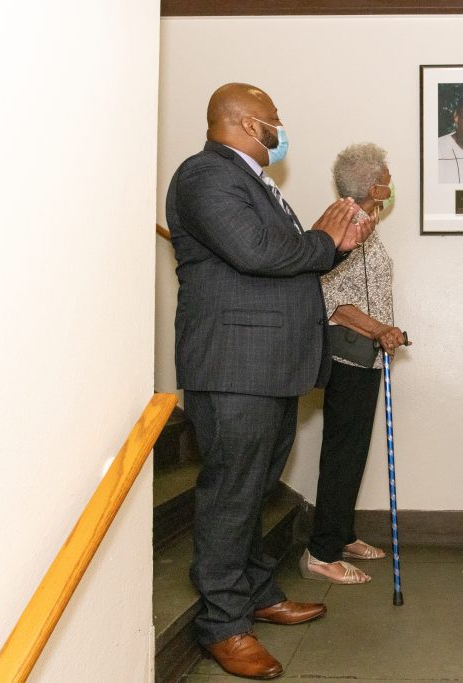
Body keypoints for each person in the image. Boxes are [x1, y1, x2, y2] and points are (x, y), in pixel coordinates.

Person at [166, 82, 372, 680]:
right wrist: (322, 240)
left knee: (255, 490)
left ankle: (256, 594)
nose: (281, 130)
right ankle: (222, 623)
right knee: (232, 494)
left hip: (268, 365)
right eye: (275, 119)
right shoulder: (206, 174)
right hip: (235, 364)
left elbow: (285, 256)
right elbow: (256, 252)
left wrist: (334, 246)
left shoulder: (253, 181)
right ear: (249, 124)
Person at [299, 143, 409, 584]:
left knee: (353, 450)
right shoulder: (344, 223)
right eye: (386, 177)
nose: (391, 184)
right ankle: (321, 552)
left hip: (366, 359)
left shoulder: (366, 222)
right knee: (342, 454)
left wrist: (384, 332)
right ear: (372, 185)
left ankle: (342, 534)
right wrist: (379, 328)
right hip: (347, 355)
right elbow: (332, 300)